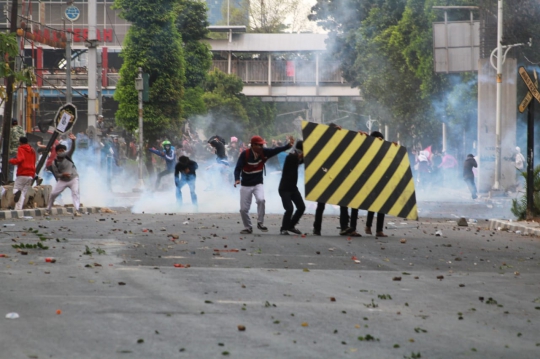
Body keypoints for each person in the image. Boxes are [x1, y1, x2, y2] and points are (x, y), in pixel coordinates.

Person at [234, 135, 293, 234]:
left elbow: (276, 150)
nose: (261, 147)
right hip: (246, 184)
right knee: (244, 209)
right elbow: (238, 168)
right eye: (259, 145)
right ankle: (248, 227)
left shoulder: (264, 152)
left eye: (262, 145)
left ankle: (260, 223)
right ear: (253, 145)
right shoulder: (245, 154)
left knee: (261, 200)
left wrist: (288, 146)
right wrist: (236, 179)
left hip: (258, 183)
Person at [45, 133, 82, 216]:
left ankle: (77, 210)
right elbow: (57, 175)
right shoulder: (54, 162)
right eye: (60, 150)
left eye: (63, 150)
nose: (62, 152)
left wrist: (73, 141)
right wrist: (63, 175)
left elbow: (73, 149)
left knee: (75, 193)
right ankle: (48, 209)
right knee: (53, 194)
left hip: (73, 178)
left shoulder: (68, 156)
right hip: (63, 180)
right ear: (57, 152)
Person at [364, 131, 392, 238]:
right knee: (372, 205)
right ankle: (368, 226)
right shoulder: (368, 150)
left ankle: (379, 230)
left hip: (382, 180)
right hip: (371, 180)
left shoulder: (383, 151)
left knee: (381, 206)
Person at [278, 140, 306, 235]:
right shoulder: (290, 157)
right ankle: (284, 229)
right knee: (289, 209)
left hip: (293, 188)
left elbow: (302, 159)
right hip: (284, 188)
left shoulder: (296, 158)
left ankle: (291, 226)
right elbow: (297, 158)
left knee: (301, 207)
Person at [9, 136, 36, 210]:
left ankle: (17, 194)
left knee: (16, 189)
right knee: (23, 193)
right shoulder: (32, 150)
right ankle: (18, 209)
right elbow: (34, 162)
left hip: (22, 173)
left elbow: (20, 159)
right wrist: (33, 174)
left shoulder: (21, 148)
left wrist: (11, 161)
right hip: (30, 174)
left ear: (20, 142)